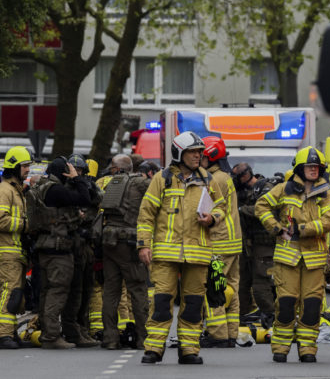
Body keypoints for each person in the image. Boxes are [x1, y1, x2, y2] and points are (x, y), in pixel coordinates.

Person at [137, 131, 226, 365]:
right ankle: (154, 349)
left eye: (199, 152)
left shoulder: (208, 179)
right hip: (166, 253)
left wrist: (213, 218)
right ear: (179, 154)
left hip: (197, 253)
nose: (198, 156)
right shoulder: (162, 179)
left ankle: (189, 350)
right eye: (193, 152)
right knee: (162, 302)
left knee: (194, 305)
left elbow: (221, 208)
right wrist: (143, 245)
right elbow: (146, 215)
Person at [255, 146, 330, 363]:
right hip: (287, 258)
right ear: (300, 168)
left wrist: (303, 229)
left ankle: (307, 349)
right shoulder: (283, 189)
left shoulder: (325, 192)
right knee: (286, 303)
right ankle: (280, 348)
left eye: (317, 167)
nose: (313, 170)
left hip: (315, 259)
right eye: (310, 166)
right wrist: (275, 227)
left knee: (311, 306)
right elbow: (261, 207)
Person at [30, 156, 92, 349]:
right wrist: (76, 179)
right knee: (58, 291)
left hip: (44, 246)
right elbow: (85, 198)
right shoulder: (56, 190)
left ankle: (49, 332)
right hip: (58, 248)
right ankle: (52, 336)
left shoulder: (40, 187)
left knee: (47, 291)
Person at [100, 154, 150, 350]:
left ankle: (110, 339)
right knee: (137, 290)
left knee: (110, 292)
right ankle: (143, 338)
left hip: (109, 242)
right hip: (129, 243)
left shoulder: (110, 183)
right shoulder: (139, 182)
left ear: (115, 168)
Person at [199, 136, 242, 348]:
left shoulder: (213, 179)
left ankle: (218, 334)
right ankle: (231, 333)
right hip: (233, 243)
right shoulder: (226, 176)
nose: (198, 159)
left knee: (215, 288)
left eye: (202, 155)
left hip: (219, 242)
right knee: (231, 288)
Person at [59, 154, 101, 348]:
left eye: (82, 171)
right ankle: (72, 329)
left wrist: (86, 183)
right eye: (76, 171)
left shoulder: (87, 187)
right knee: (74, 291)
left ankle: (82, 328)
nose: (78, 174)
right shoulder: (64, 189)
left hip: (86, 245)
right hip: (72, 244)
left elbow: (98, 200)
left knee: (86, 290)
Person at [233, 162, 279, 328]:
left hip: (265, 244)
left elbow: (263, 212)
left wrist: (241, 209)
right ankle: (248, 315)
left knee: (262, 283)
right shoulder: (247, 192)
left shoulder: (265, 188)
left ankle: (271, 314)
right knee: (246, 282)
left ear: (245, 175)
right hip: (251, 247)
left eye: (237, 177)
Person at [0, 146, 32, 349]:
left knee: (16, 295)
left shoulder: (16, 190)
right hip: (7, 251)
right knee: (9, 293)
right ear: (14, 167)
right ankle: (3, 335)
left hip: (15, 252)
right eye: (25, 166)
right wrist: (27, 224)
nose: (28, 170)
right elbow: (1, 219)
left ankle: (10, 332)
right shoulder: (5, 190)